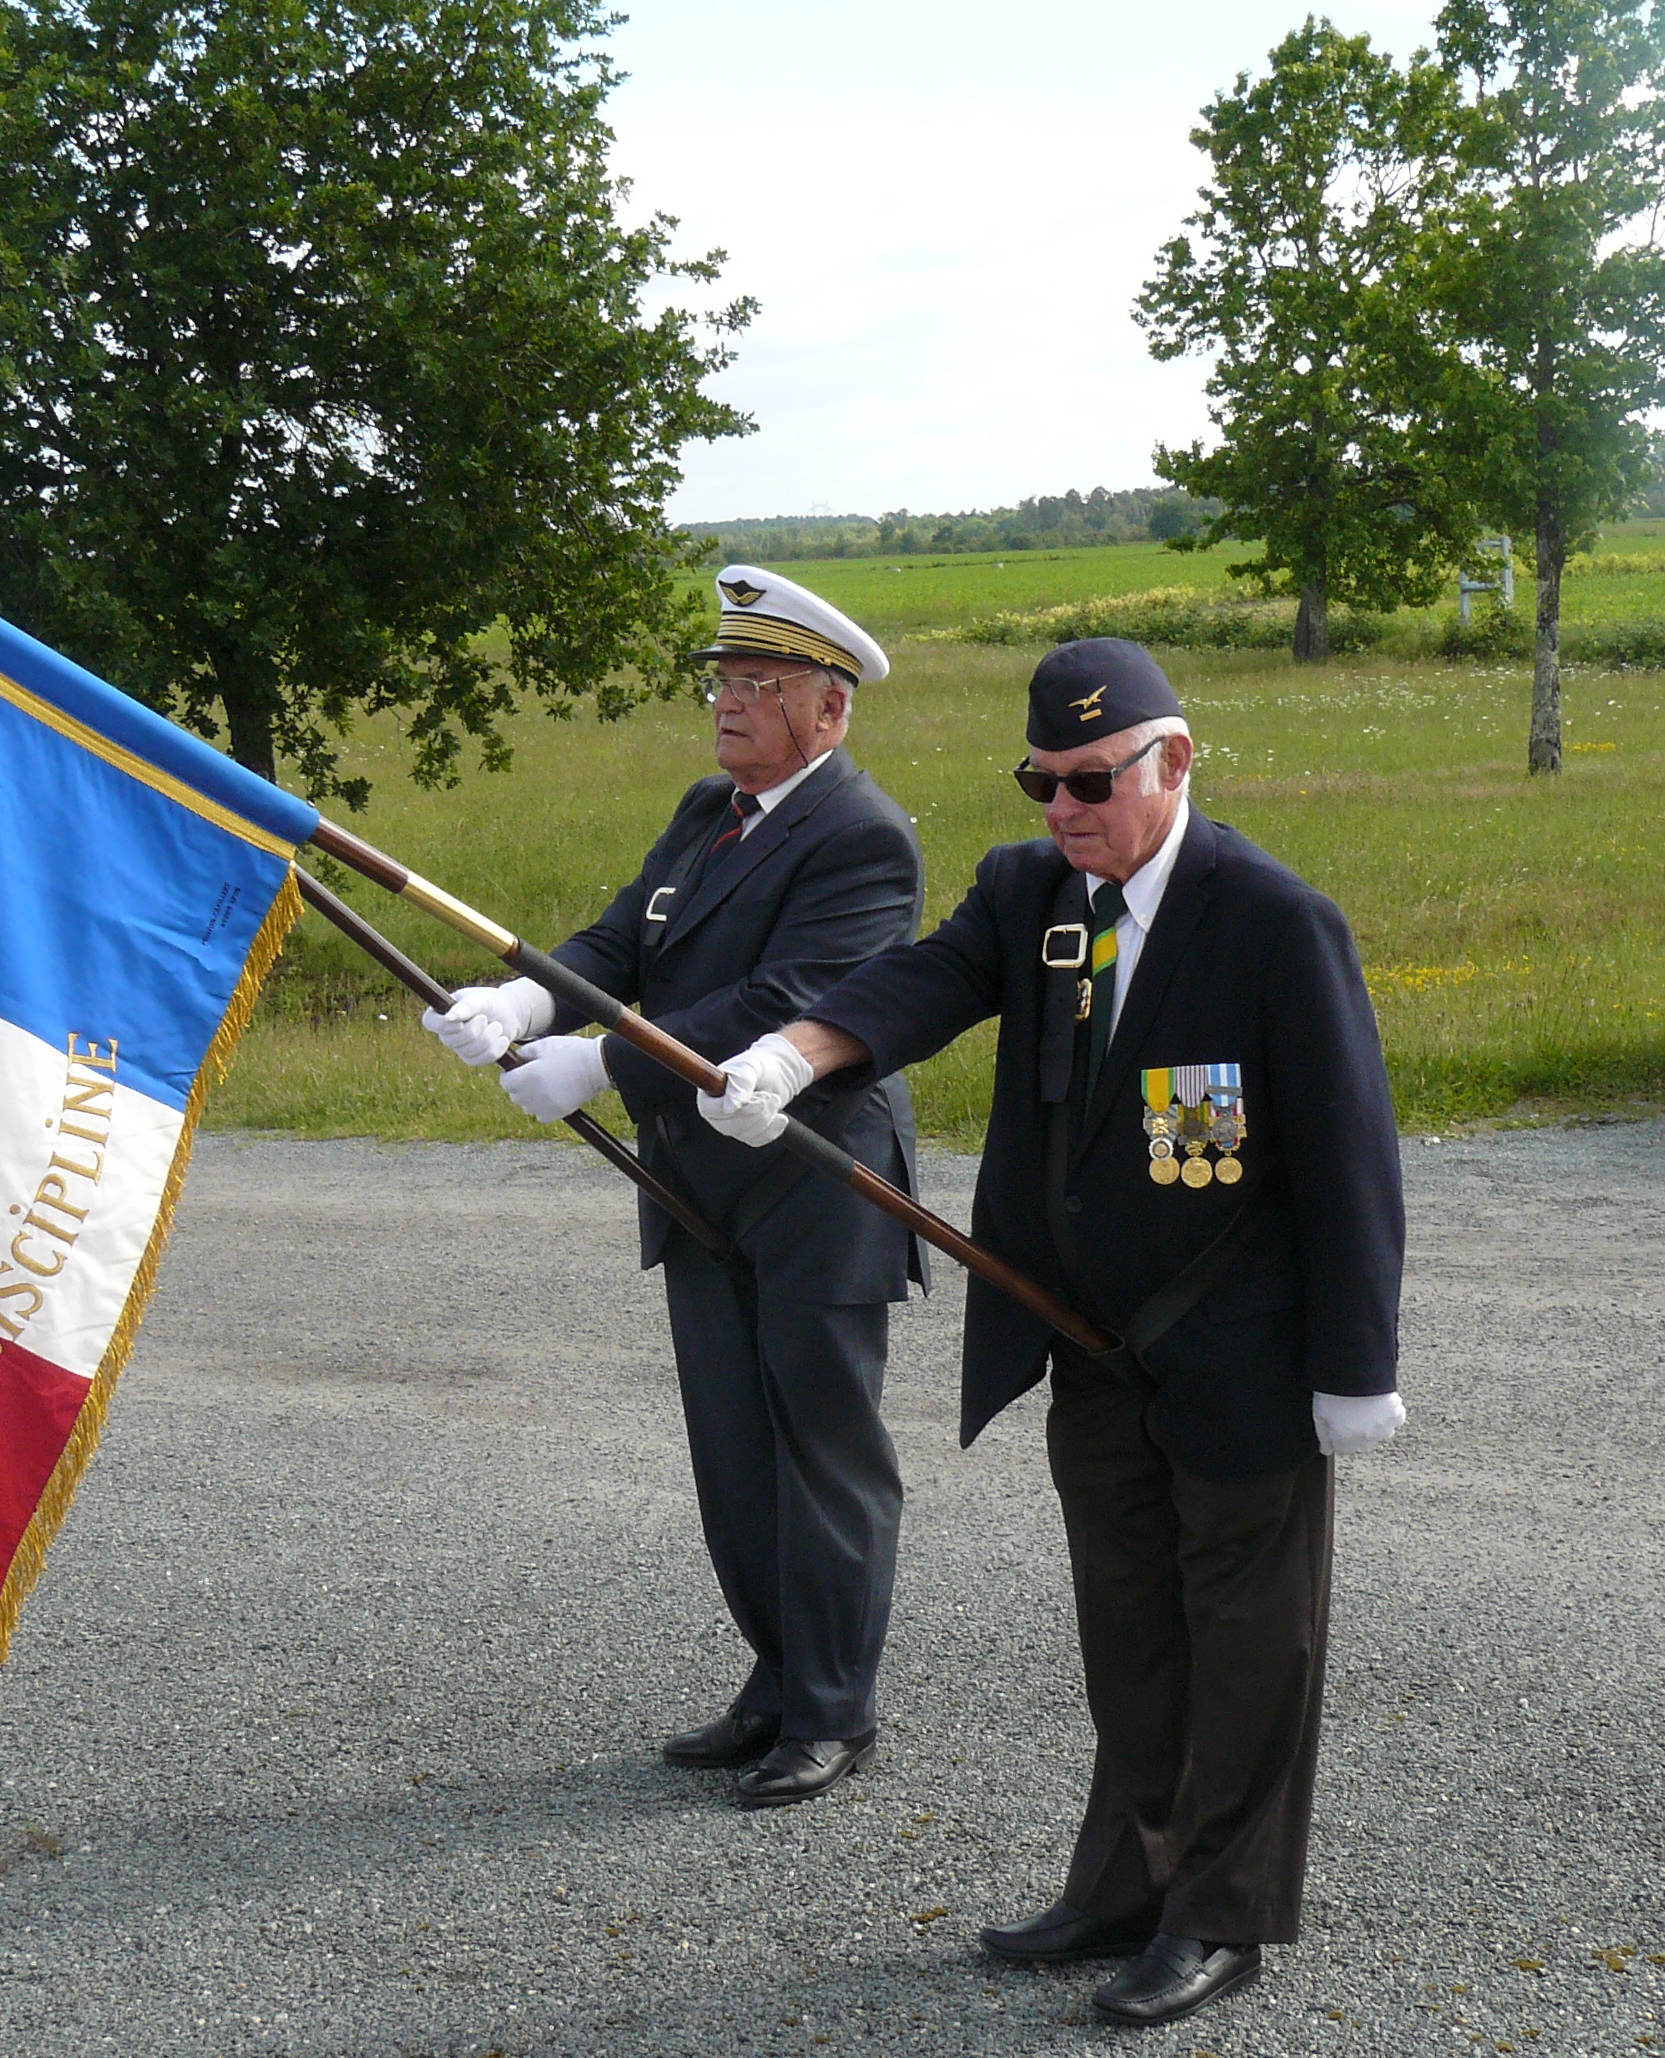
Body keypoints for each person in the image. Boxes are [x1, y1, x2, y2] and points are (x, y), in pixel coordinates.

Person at [693, 637, 1406, 2026]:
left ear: (1172, 759)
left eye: (1091, 779)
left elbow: (1345, 1155)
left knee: (1244, 1641)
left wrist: (1353, 1369)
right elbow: (918, 985)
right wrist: (795, 1053)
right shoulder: (1032, 894)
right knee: (1128, 1631)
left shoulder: (1267, 917)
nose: (1064, 808)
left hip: (1244, 1358)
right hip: (1084, 1342)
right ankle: (1125, 1881)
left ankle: (1215, 1914)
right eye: (1040, 781)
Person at [422, 564, 924, 1809]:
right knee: (733, 1449)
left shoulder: (860, 834)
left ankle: (830, 1710)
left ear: (831, 708)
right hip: (699, 1177)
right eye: (723, 681)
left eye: (761, 684)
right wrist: (527, 996)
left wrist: (598, 1059)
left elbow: (785, 1004)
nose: (730, 704)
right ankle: (774, 1677)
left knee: (822, 1449)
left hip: (814, 1176)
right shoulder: (712, 808)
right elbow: (617, 941)